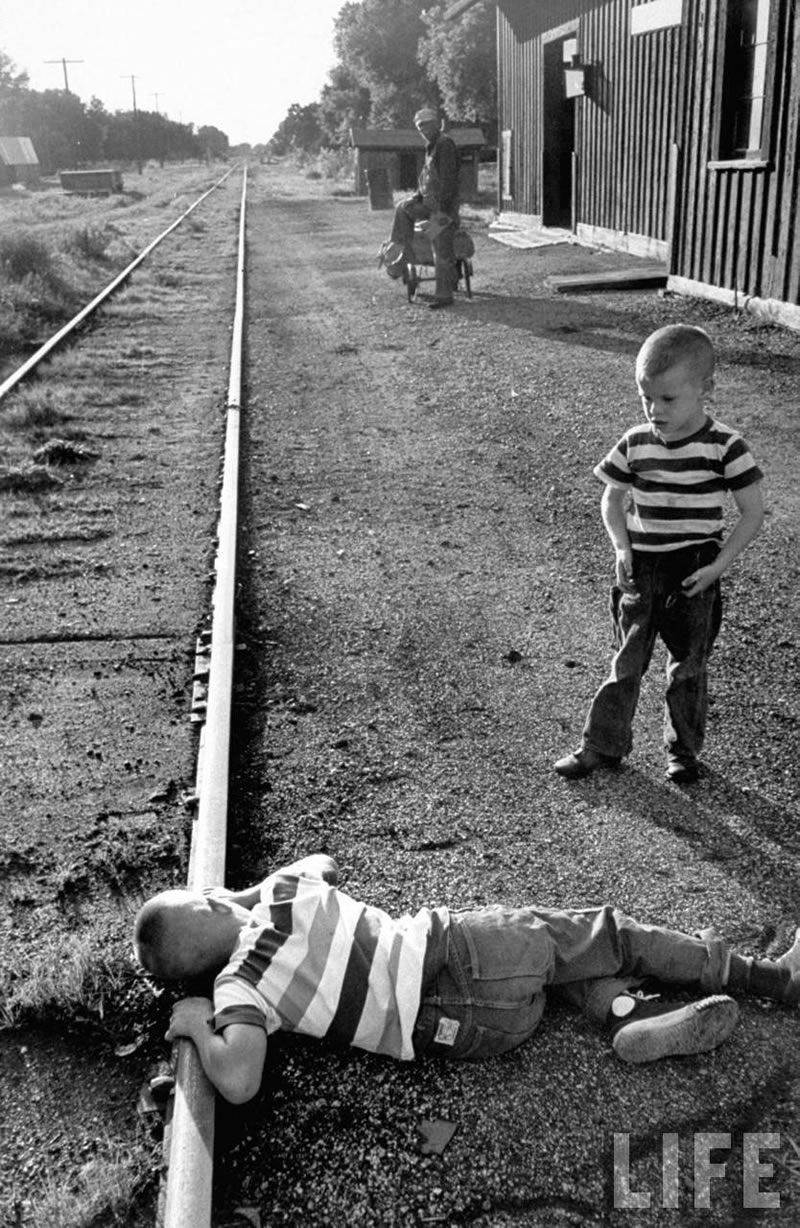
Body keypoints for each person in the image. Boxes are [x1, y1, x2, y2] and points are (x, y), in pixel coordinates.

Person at [133, 854, 799, 1105]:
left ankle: (626, 1014)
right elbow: (324, 863)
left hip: (473, 1035)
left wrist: (196, 1020)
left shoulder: (238, 992)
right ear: (219, 900)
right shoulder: (280, 895)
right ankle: (771, 977)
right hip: (464, 954)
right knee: (608, 935)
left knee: (567, 972)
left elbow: (239, 1078)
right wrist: (246, 894)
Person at [555, 324, 764, 784]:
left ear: (705, 389)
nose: (654, 410)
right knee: (627, 659)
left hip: (695, 570)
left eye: (668, 399)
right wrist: (619, 547)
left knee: (689, 666)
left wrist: (718, 567)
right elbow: (612, 498)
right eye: (646, 398)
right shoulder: (636, 442)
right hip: (642, 567)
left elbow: (753, 512)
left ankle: (683, 752)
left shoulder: (725, 446)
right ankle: (601, 746)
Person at [388, 107, 461, 310]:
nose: (423, 129)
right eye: (419, 127)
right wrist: (416, 198)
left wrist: (441, 214)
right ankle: (402, 251)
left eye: (426, 125)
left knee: (441, 251)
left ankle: (444, 296)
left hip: (444, 209)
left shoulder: (445, 144)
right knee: (403, 208)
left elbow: (449, 182)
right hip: (429, 204)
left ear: (436, 123)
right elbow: (427, 181)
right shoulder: (431, 147)